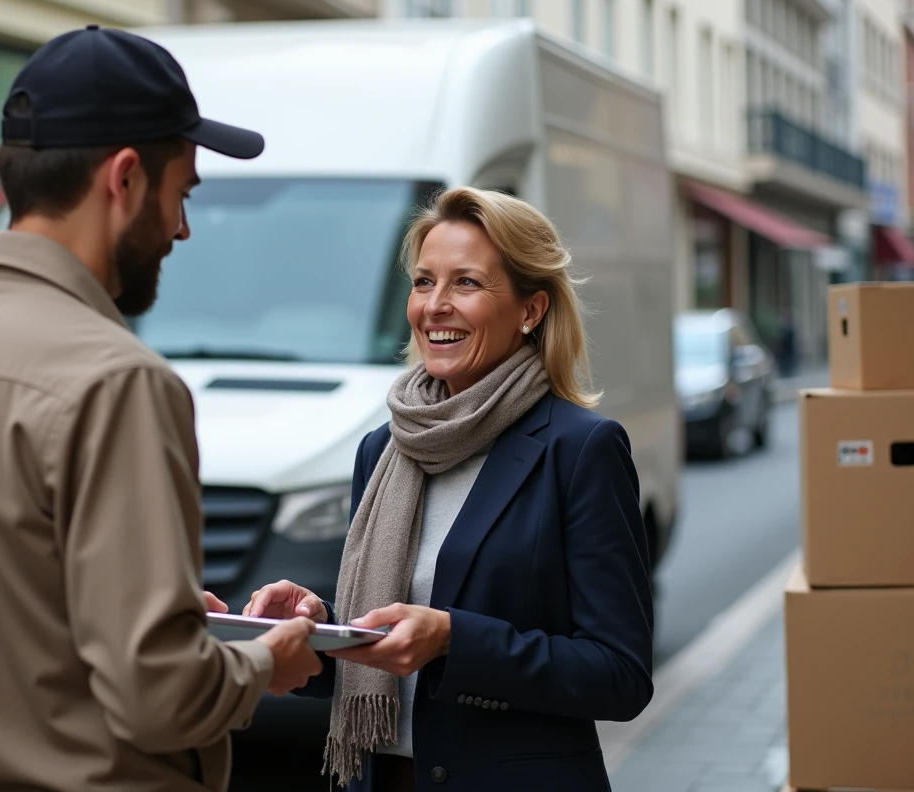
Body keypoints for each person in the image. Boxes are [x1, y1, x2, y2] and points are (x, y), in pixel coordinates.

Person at [0, 26, 321, 792]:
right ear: (125, 178)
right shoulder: (119, 381)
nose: (183, 229)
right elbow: (162, 696)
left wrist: (85, 612)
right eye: (182, 193)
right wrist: (268, 660)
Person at [244, 188, 655, 791]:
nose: (435, 306)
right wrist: (318, 625)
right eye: (423, 282)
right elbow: (388, 651)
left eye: (465, 284)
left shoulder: (580, 448)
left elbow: (619, 675)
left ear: (531, 311)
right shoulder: (382, 450)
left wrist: (454, 640)